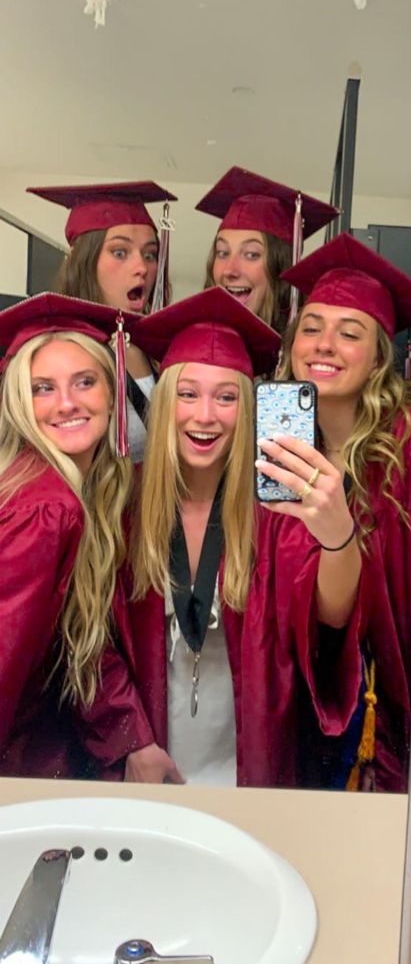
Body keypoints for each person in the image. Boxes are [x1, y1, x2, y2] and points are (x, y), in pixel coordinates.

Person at [124, 286, 362, 787]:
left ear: (247, 407)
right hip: (149, 762)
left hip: (246, 761)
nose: (205, 415)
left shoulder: (275, 511)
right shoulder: (126, 507)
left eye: (226, 397)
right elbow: (96, 646)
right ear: (166, 403)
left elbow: (330, 616)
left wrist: (339, 536)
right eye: (187, 394)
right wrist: (130, 740)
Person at [278, 232, 411, 792]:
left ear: (377, 361)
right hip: (295, 683)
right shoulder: (278, 439)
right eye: (312, 327)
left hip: (382, 688)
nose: (323, 345)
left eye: (350, 334)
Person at [0, 293, 152, 778]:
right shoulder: (45, 506)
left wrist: (134, 741)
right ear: (21, 403)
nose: (67, 403)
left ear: (112, 391)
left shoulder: (79, 488)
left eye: (84, 382)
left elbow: (79, 636)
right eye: (43, 388)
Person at [27, 180, 177, 461]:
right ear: (85, 260)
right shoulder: (55, 353)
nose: (141, 267)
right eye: (120, 252)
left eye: (150, 254)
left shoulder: (158, 347)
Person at [197, 166, 337, 333]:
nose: (229, 270)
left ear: (281, 268)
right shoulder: (191, 349)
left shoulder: (306, 353)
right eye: (222, 253)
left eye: (251, 254)